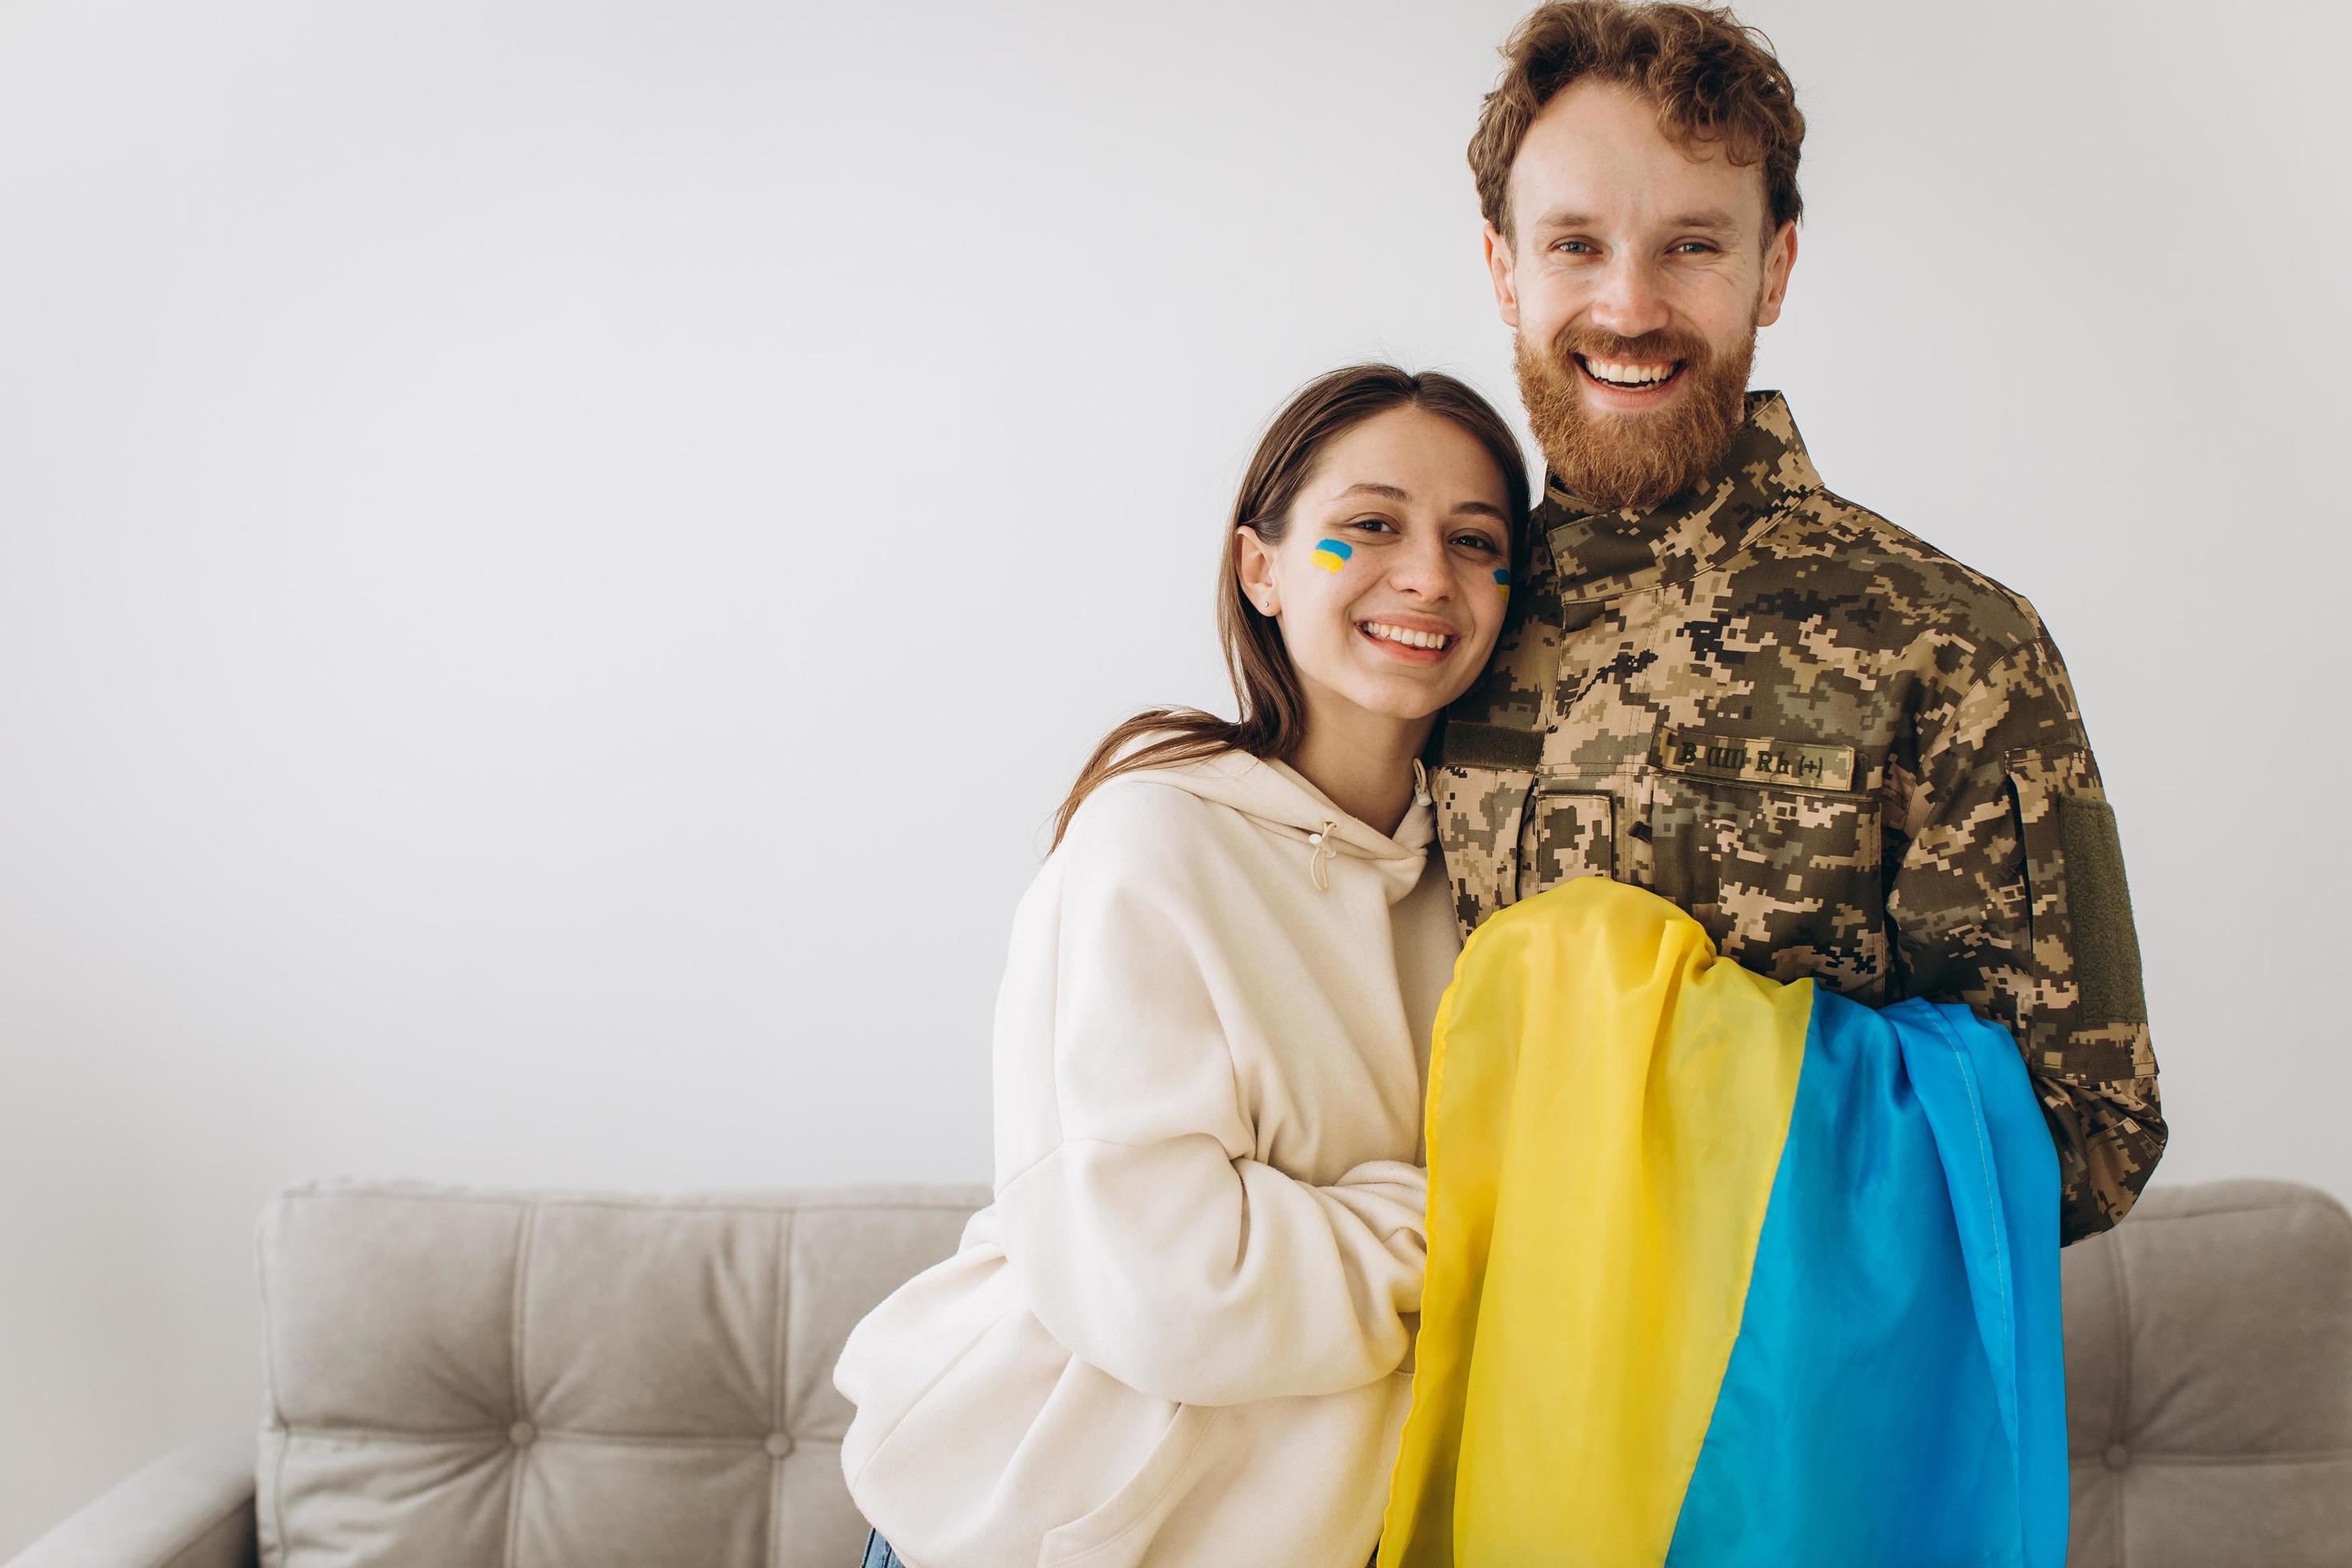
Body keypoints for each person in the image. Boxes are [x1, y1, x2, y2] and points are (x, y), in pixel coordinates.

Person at [1434, 0, 2165, 1245]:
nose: (1626, 306)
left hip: (1787, 1415)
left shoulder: (1956, 652)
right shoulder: (1426, 632)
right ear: (1504, 269)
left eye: (1691, 246)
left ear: (1773, 267)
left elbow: (2089, 1133)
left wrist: (1698, 1102)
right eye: (1573, 245)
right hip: (1466, 1402)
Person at [832, 364, 1530, 1568]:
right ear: (1261, 566)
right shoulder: (1152, 836)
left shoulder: (1486, 894)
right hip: (1039, 1535)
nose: (1427, 575)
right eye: (1369, 526)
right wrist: (1488, 1221)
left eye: (1476, 541)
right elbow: (1170, 1283)